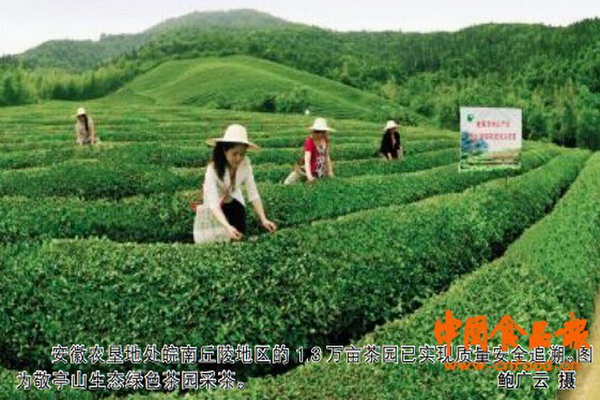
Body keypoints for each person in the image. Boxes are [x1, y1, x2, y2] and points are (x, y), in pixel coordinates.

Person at [203, 124, 277, 240]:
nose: (238, 158)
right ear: (225, 151)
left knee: (239, 235)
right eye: (234, 153)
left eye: (242, 154)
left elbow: (253, 194)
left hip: (234, 202)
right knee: (218, 238)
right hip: (216, 207)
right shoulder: (213, 169)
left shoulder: (245, 164)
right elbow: (213, 203)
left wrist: (263, 219)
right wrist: (227, 226)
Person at [283, 117, 335, 184]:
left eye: (322, 132)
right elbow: (307, 160)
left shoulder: (325, 140)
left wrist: (330, 171)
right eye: (317, 132)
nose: (319, 134)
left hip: (319, 171)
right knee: (287, 183)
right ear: (313, 131)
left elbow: (327, 156)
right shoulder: (310, 142)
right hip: (307, 171)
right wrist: (309, 176)